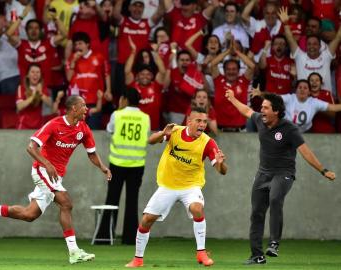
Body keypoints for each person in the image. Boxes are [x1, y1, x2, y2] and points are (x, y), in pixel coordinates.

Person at [0, 95, 112, 265]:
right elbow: (31, 147)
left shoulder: (83, 129)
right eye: (83, 106)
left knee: (30, 214)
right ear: (74, 108)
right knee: (66, 203)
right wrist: (47, 164)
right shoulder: (54, 124)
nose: (86, 109)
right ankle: (74, 252)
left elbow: (91, 153)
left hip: (56, 176)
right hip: (41, 170)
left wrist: (102, 167)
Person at [225, 89, 336, 265]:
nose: (262, 111)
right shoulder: (260, 121)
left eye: (266, 108)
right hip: (263, 174)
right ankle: (257, 256)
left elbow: (305, 151)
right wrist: (232, 98)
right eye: (261, 107)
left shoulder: (289, 129)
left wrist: (323, 170)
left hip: (283, 173)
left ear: (276, 111)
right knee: (256, 214)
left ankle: (274, 243)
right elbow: (246, 110)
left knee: (275, 198)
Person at [125, 107, 228, 267]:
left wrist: (221, 164)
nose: (202, 125)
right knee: (146, 220)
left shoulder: (208, 142)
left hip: (191, 186)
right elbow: (151, 141)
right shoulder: (174, 131)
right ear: (189, 121)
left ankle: (201, 253)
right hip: (168, 185)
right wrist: (162, 133)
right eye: (198, 121)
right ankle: (138, 259)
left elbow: (222, 171)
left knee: (197, 208)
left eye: (205, 122)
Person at [96, 87, 150, 245]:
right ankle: (130, 238)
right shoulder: (145, 117)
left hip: (117, 163)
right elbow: (146, 137)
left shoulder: (117, 115)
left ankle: (106, 237)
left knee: (111, 199)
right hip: (137, 164)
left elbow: (109, 131)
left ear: (125, 99)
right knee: (132, 201)